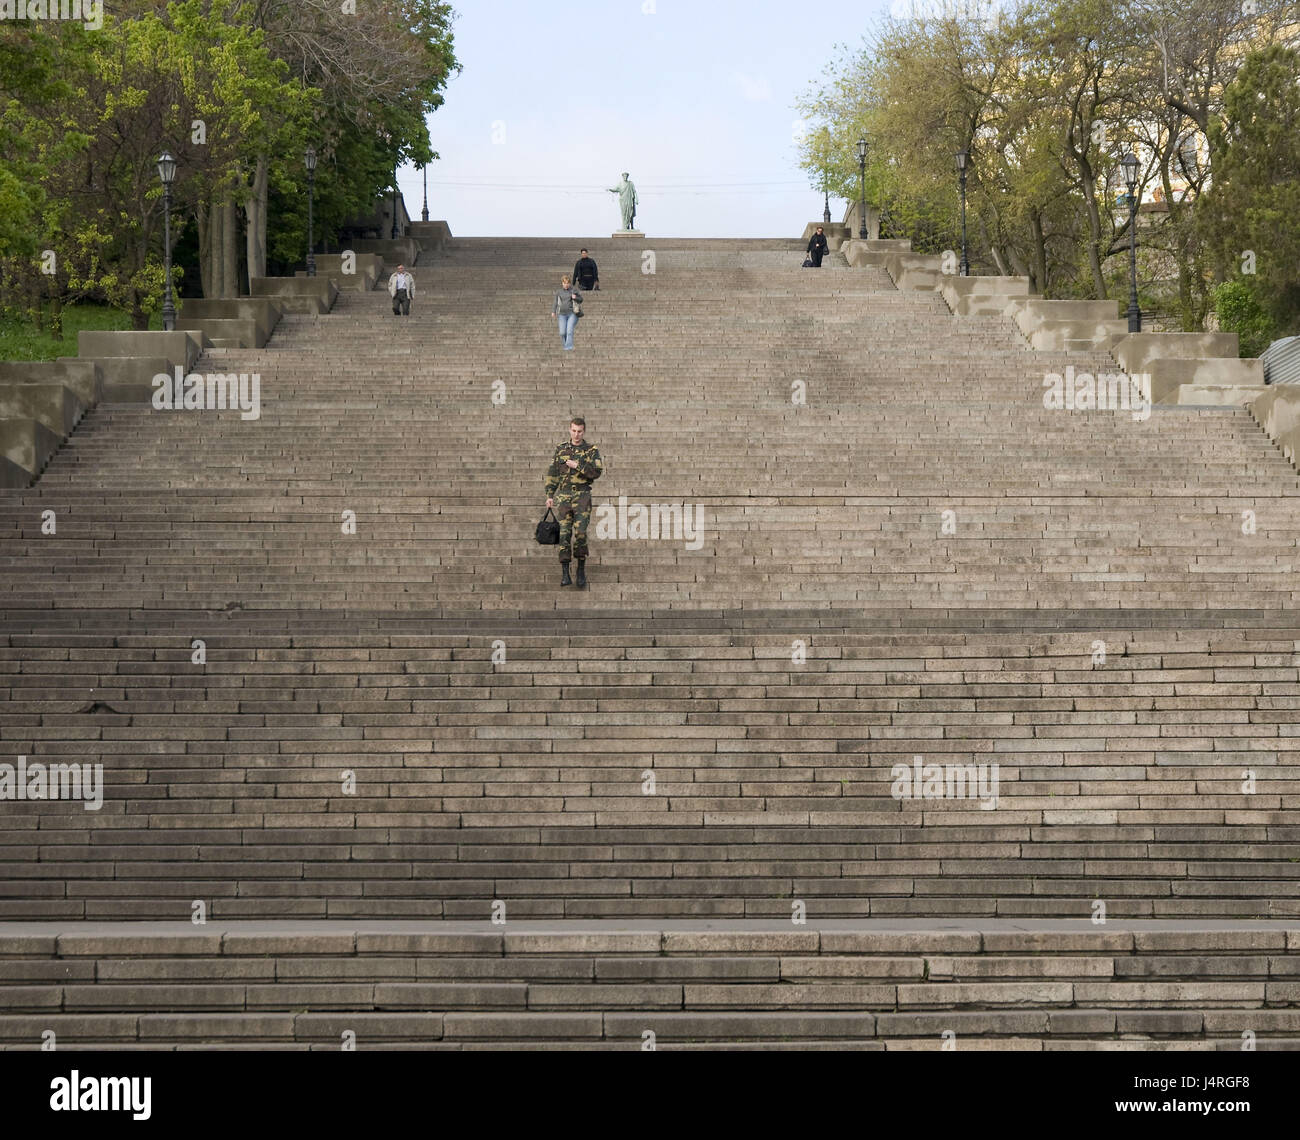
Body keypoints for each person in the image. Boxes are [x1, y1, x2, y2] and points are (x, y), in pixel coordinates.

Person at [544, 417, 603, 589]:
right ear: (569, 430)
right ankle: (564, 572)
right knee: (564, 534)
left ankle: (581, 570)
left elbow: (597, 472)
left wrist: (578, 465)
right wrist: (549, 495)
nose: (576, 434)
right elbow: (552, 473)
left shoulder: (591, 450)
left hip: (582, 497)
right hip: (564, 497)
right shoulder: (561, 449)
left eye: (580, 431)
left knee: (581, 534)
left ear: (584, 432)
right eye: (574, 431)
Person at [552, 274, 583, 351]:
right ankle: (566, 345)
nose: (566, 285)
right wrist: (553, 311)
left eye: (567, 283)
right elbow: (555, 302)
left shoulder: (573, 290)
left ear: (569, 283)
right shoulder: (558, 292)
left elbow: (581, 299)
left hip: (572, 314)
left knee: (569, 331)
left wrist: (576, 297)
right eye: (564, 283)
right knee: (562, 333)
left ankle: (568, 347)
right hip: (562, 315)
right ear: (562, 283)